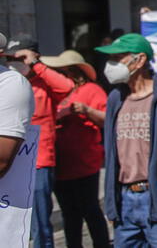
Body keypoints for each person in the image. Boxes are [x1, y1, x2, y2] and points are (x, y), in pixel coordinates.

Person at [95, 33, 157, 247]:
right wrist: (112, 203)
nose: (110, 65)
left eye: (118, 58)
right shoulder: (115, 98)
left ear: (139, 60)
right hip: (125, 202)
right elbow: (113, 155)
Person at [2, 35, 75, 248]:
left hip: (39, 163)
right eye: (10, 58)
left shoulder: (43, 83)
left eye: (20, 58)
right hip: (10, 164)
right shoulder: (6, 83)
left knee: (40, 224)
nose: (14, 62)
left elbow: (67, 87)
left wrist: (36, 65)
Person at [39, 50, 110, 248]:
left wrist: (86, 111)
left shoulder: (91, 90)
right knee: (69, 214)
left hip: (85, 164)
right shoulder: (53, 92)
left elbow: (107, 120)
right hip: (60, 165)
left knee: (90, 209)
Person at [0, 32, 34, 179]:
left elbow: (1, 160)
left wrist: (37, 65)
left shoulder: (10, 83)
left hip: (42, 159)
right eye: (10, 58)